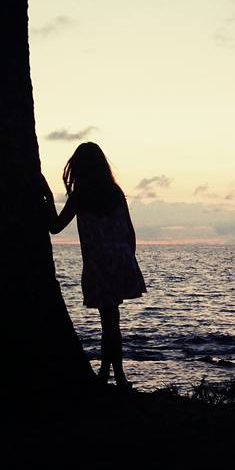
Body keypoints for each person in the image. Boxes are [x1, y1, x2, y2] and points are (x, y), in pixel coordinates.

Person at [40, 142, 146, 389]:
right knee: (111, 321)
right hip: (121, 260)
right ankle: (109, 373)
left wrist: (46, 196)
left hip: (100, 264)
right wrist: (128, 257)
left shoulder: (81, 195)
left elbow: (54, 226)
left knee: (109, 321)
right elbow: (130, 230)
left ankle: (114, 375)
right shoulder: (115, 192)